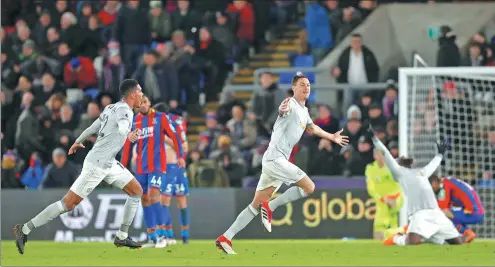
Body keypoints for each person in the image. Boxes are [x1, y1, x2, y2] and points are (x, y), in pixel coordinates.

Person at [215, 74, 349, 254]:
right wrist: (282, 110)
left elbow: (311, 128)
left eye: (308, 85)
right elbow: (282, 111)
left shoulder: (304, 110)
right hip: (275, 159)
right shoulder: (290, 104)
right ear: (294, 88)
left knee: (255, 205)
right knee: (309, 187)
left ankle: (226, 238)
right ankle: (271, 206)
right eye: (302, 85)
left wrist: (331, 136)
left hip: (275, 160)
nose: (306, 88)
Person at [14, 79, 145, 254]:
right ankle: (24, 230)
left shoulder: (110, 108)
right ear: (132, 94)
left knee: (136, 191)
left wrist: (77, 141)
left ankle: (122, 236)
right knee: (67, 204)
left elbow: (93, 127)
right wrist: (128, 134)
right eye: (140, 92)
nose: (142, 96)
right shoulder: (125, 111)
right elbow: (122, 128)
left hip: (108, 162)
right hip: (97, 165)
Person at [370, 128, 465, 246]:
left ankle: (434, 239)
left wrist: (440, 154)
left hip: (436, 213)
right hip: (419, 214)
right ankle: (396, 239)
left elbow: (432, 165)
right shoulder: (399, 173)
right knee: (412, 242)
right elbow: (386, 154)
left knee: (458, 243)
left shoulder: (422, 172)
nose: (401, 158)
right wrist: (375, 139)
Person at [120, 96, 185, 248]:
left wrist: (181, 156)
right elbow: (128, 145)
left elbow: (175, 137)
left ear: (149, 103)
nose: (142, 105)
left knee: (154, 195)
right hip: (141, 167)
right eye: (140, 103)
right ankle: (153, 237)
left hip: (157, 165)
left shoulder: (160, 118)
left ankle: (163, 236)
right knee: (144, 199)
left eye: (145, 102)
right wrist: (123, 165)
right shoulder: (134, 121)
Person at [153, 102, 190, 244]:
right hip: (168, 166)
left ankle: (184, 237)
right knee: (165, 199)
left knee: (180, 201)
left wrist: (166, 139)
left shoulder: (175, 123)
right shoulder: (158, 126)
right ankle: (168, 236)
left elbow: (183, 147)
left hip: (175, 167)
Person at [429, 175, 483, 243]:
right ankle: (461, 235)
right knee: (450, 212)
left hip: (474, 213)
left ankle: (467, 233)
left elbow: (443, 209)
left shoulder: (443, 188)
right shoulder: (447, 181)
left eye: (432, 188)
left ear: (435, 183)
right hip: (476, 211)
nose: (432, 191)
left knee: (441, 214)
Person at [365, 148, 404, 240]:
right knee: (379, 225)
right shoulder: (370, 168)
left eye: (382, 155)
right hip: (382, 201)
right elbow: (370, 187)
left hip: (395, 198)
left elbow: (399, 184)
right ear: (374, 156)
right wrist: (382, 198)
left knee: (394, 220)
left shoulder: (391, 167)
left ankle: (397, 237)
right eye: (378, 154)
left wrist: (394, 199)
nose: (381, 157)